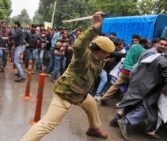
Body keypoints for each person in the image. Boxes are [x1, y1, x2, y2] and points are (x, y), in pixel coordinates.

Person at [21, 11, 115, 141]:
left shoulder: (99, 59)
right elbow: (79, 45)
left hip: (81, 93)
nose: (108, 56)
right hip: (65, 93)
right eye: (107, 53)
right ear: (100, 51)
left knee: (91, 104)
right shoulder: (84, 56)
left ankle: (94, 128)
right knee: (47, 125)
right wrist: (95, 26)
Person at [115, 46, 167, 140]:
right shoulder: (164, 62)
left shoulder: (157, 56)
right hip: (148, 87)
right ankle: (126, 121)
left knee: (134, 102)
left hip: (141, 83)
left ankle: (117, 119)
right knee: (147, 108)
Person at [100, 37, 150, 105]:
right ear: (144, 43)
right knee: (130, 89)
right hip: (133, 72)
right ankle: (123, 103)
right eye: (148, 43)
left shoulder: (133, 46)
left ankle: (104, 98)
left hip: (125, 69)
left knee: (116, 85)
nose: (149, 45)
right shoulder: (144, 51)